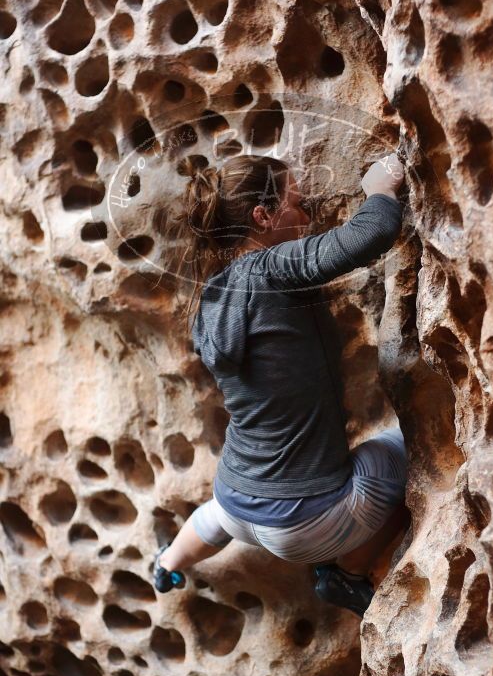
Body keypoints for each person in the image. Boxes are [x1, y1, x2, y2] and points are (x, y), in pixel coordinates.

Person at [153, 150, 410, 617]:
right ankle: (346, 573)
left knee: (218, 516)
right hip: (308, 522)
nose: (307, 215)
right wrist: (380, 187)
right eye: (298, 203)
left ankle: (170, 560)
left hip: (236, 496)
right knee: (416, 448)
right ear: (263, 216)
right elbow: (371, 233)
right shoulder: (271, 270)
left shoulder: (211, 295)